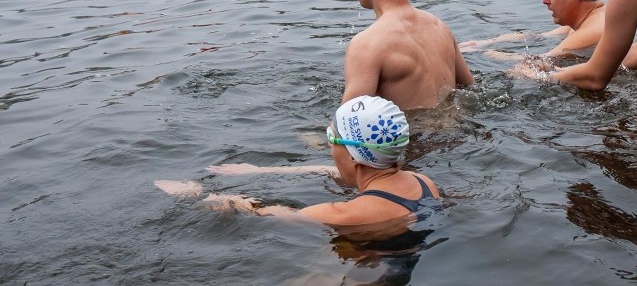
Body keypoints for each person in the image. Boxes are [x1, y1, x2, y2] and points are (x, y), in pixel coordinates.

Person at [158, 96, 441, 228]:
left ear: (352, 155)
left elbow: (263, 212)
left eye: (332, 138)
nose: (329, 148)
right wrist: (260, 171)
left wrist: (199, 195)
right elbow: (336, 172)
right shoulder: (423, 182)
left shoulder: (343, 215)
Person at [344, 0, 473, 110]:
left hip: (411, 137)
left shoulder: (367, 45)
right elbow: (470, 89)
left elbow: (348, 127)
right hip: (456, 134)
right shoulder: (439, 27)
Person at [460, 0, 605, 62]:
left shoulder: (591, 30)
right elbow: (537, 36)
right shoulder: (587, 21)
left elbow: (541, 61)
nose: (544, 0)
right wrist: (484, 42)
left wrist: (481, 54)